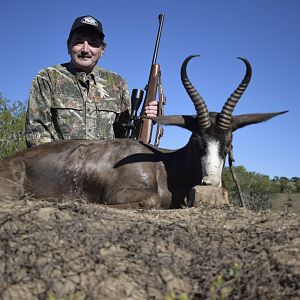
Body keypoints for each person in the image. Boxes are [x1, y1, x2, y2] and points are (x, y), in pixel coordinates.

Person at [25, 15, 157, 147]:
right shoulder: (47, 77)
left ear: (102, 50)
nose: (85, 49)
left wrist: (146, 119)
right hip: (60, 166)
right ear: (68, 46)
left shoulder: (117, 82)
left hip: (106, 166)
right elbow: (36, 133)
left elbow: (125, 135)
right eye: (79, 42)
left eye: (93, 44)